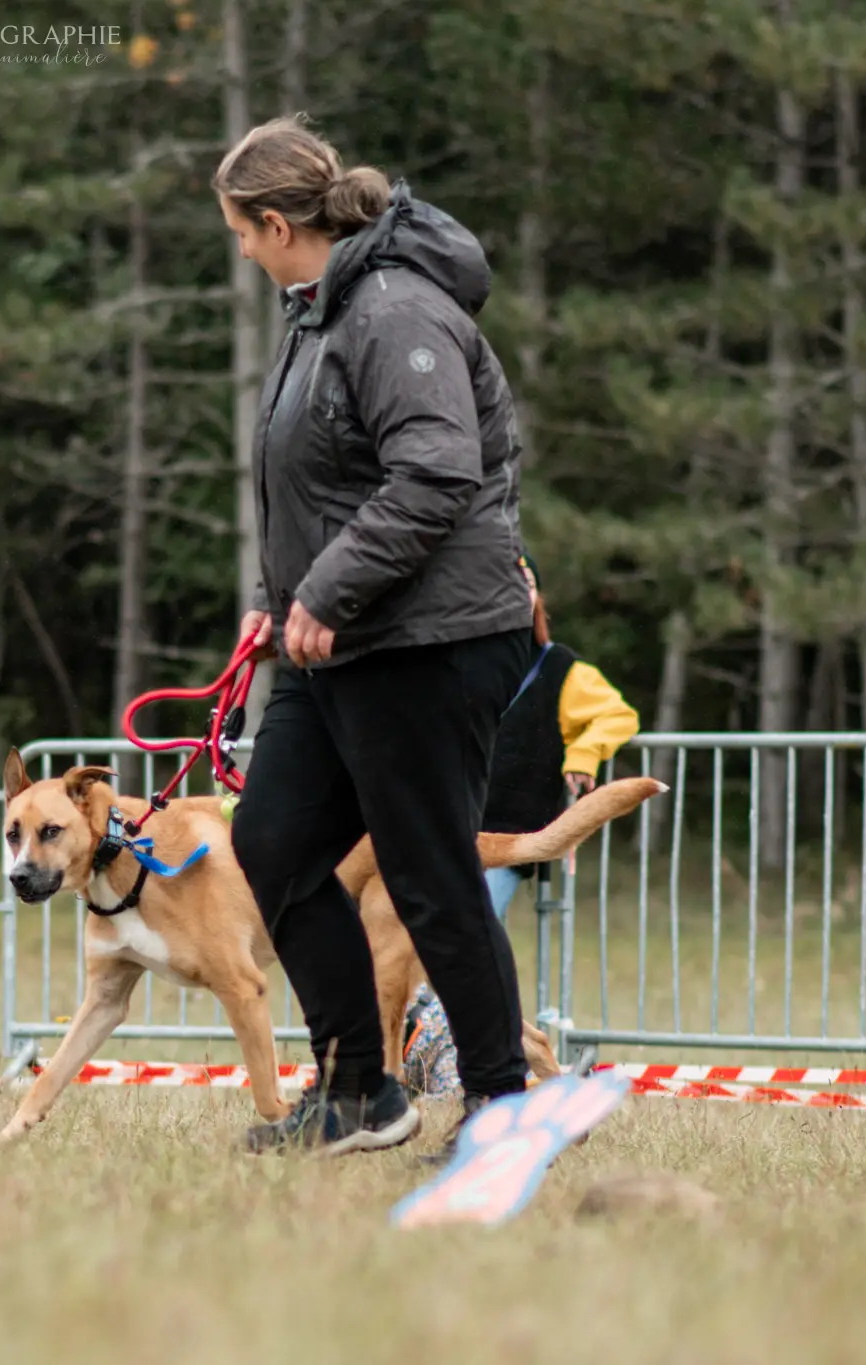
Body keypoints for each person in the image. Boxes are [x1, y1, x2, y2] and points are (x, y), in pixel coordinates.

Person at [214, 115, 535, 1157]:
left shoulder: (395, 309)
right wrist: (281, 596)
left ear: (274, 222)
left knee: (428, 872)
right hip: (340, 638)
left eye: (241, 233)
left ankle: (500, 1105)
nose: (242, 251)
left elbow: (438, 468)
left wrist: (328, 592)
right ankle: (360, 1089)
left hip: (428, 639)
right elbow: (317, 482)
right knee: (272, 841)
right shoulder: (317, 314)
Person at [481, 551, 641, 923]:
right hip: (445, 829)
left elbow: (617, 715)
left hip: (508, 834)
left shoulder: (563, 670)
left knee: (469, 931)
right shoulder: (456, 665)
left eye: (527, 585)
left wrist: (584, 753)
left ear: (537, 599)